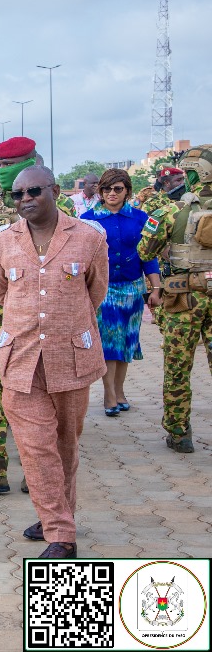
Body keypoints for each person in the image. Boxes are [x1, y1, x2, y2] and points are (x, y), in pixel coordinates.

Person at [0, 164, 108, 558]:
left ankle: (56, 516)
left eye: (34, 191)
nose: (25, 200)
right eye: (17, 195)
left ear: (55, 191)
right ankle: (61, 535)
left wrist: (62, 322)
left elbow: (96, 293)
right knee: (36, 447)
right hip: (20, 359)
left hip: (71, 357)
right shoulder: (0, 243)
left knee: (65, 445)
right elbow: (1, 293)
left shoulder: (89, 238)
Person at [0, 138, 76, 496]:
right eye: (1, 164)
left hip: (45, 314)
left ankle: (38, 468)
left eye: (14, 163)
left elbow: (81, 264)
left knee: (43, 393)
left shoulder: (60, 202)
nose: (6, 170)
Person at [137, 145, 212, 454]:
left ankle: (179, 432)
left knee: (178, 366)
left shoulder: (171, 210)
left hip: (184, 300)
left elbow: (144, 252)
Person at [80, 169, 161, 416]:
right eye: (106, 189)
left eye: (117, 189)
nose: (111, 194)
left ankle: (120, 390)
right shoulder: (88, 219)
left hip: (134, 287)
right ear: (100, 192)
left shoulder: (140, 218)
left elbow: (148, 256)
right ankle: (109, 394)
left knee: (127, 341)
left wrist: (156, 288)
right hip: (104, 289)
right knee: (110, 341)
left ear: (127, 190)